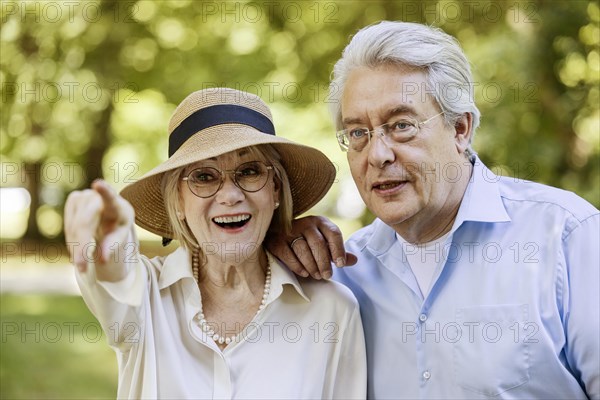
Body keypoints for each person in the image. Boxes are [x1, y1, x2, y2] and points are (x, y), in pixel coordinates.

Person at [268, 21, 599, 399]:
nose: (378, 155)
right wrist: (270, 243)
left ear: (460, 128)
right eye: (358, 133)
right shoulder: (341, 279)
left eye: (401, 125)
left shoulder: (566, 235)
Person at [64, 88, 367, 399]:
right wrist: (109, 236)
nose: (230, 195)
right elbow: (112, 275)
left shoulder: (332, 310)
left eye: (249, 172)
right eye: (204, 177)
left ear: (275, 189)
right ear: (178, 202)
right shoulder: (145, 298)